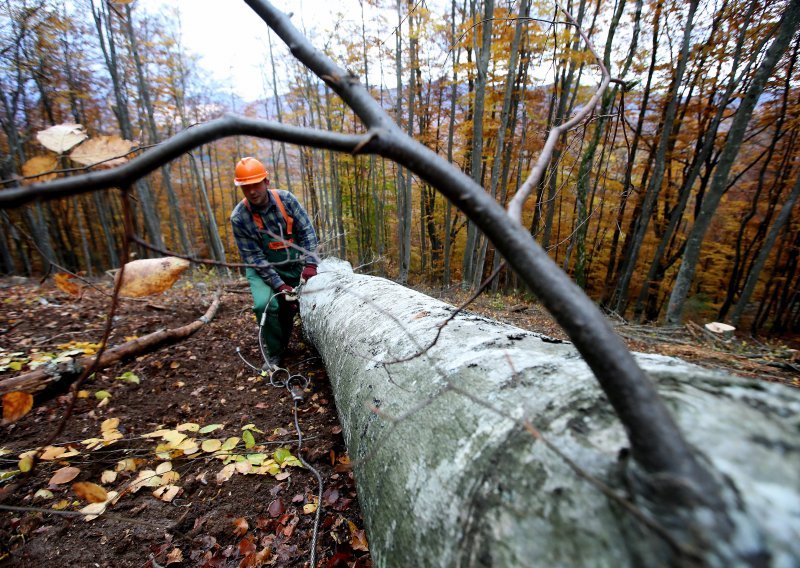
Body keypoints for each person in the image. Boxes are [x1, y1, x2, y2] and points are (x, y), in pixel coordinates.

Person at [230, 157, 318, 369]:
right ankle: (275, 352)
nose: (252, 191)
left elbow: (307, 232)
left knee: (306, 303)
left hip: (296, 261)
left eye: (255, 184)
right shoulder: (240, 218)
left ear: (266, 182)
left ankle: (309, 339)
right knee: (266, 305)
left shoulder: (286, 201)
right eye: (246, 187)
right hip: (263, 269)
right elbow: (255, 259)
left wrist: (310, 265)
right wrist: (280, 286)